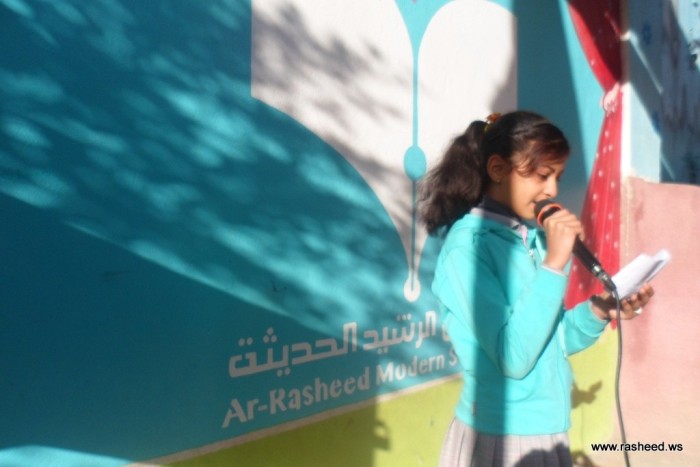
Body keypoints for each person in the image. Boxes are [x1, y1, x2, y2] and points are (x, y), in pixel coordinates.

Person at [418, 110, 654, 467]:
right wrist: (554, 264)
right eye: (543, 175)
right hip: (503, 436)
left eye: (557, 177)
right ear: (497, 169)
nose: (553, 191)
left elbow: (552, 341)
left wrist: (600, 310)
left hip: (547, 428)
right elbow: (513, 357)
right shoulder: (467, 249)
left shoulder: (531, 241)